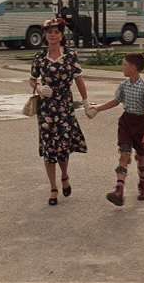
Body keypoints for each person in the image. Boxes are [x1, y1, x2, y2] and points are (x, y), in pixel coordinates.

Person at [29, 17, 97, 206]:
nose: (53, 35)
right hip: (46, 108)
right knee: (49, 147)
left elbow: (79, 79)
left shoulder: (70, 55)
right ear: (45, 35)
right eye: (49, 32)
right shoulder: (40, 57)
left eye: (56, 32)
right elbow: (32, 79)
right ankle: (53, 187)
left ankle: (65, 175)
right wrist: (39, 88)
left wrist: (86, 103)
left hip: (65, 106)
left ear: (61, 35)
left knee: (63, 146)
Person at [86, 53, 144, 206]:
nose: (122, 67)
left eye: (124, 65)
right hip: (126, 122)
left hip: (141, 124)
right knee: (124, 154)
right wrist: (98, 108)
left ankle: (143, 184)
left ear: (133, 68)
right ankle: (119, 189)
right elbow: (116, 101)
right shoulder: (124, 85)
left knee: (142, 156)